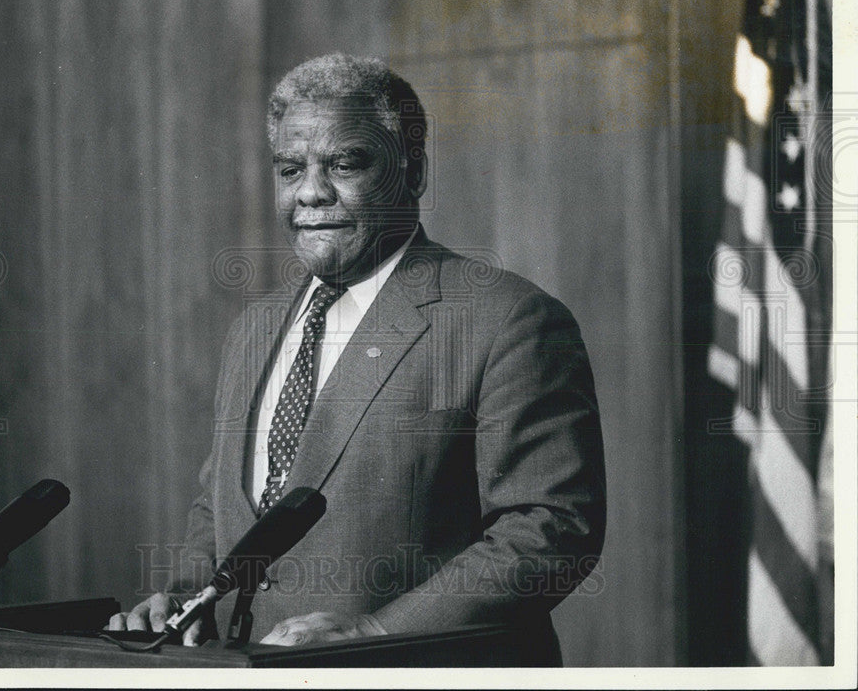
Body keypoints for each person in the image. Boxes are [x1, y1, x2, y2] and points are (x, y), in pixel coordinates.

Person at [109, 53, 606, 661]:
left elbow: (551, 530)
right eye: (291, 169)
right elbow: (223, 506)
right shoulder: (254, 328)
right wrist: (184, 598)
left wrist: (377, 633)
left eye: (345, 163)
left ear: (413, 172)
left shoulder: (507, 319)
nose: (312, 192)